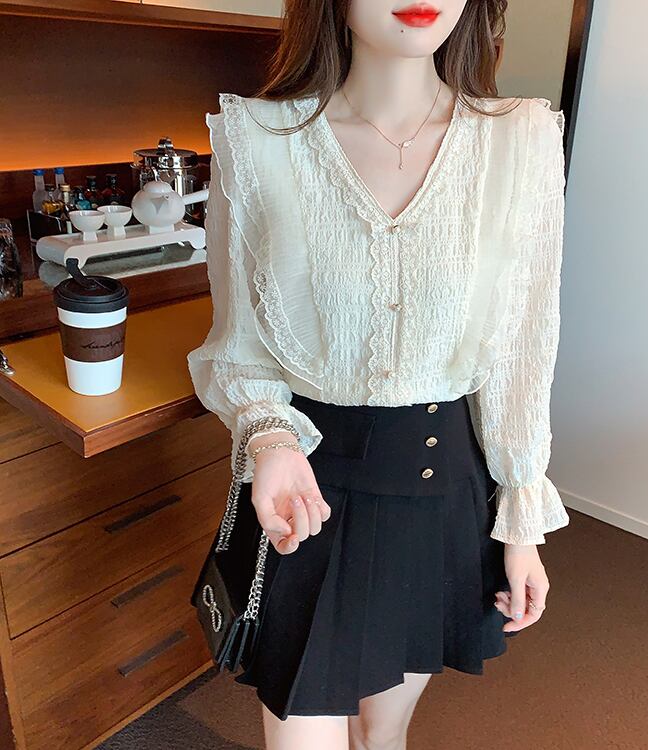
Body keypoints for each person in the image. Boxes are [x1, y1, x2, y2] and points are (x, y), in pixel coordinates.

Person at [187, 0, 570, 747]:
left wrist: (521, 525)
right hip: (306, 494)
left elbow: (523, 348)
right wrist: (269, 438)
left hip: (441, 490)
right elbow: (239, 344)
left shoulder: (519, 141)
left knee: (382, 736)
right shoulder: (258, 140)